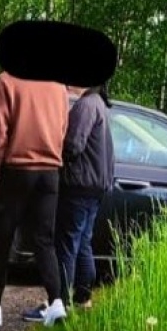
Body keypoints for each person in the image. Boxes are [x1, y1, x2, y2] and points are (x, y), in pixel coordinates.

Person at [0, 67, 69, 328]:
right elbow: (62, 128)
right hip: (50, 171)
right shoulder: (58, 85)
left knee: (2, 241)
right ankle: (56, 303)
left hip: (16, 169)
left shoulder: (6, 81)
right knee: (44, 240)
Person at [56, 85, 114, 310]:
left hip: (79, 184)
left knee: (68, 244)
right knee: (82, 243)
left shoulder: (86, 105)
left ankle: (60, 302)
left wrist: (57, 153)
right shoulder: (98, 103)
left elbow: (73, 145)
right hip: (94, 186)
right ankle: (83, 297)